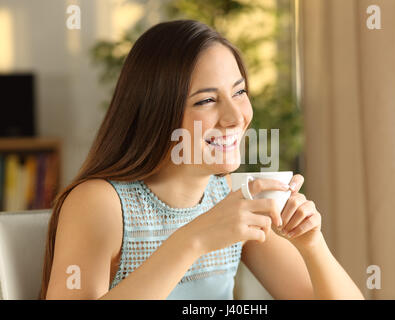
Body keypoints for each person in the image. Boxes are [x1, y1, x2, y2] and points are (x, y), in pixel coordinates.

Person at [41, 19, 364, 300]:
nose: (235, 116)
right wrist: (194, 239)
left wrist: (312, 245)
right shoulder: (100, 202)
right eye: (207, 100)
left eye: (239, 92)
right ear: (157, 112)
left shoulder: (227, 194)